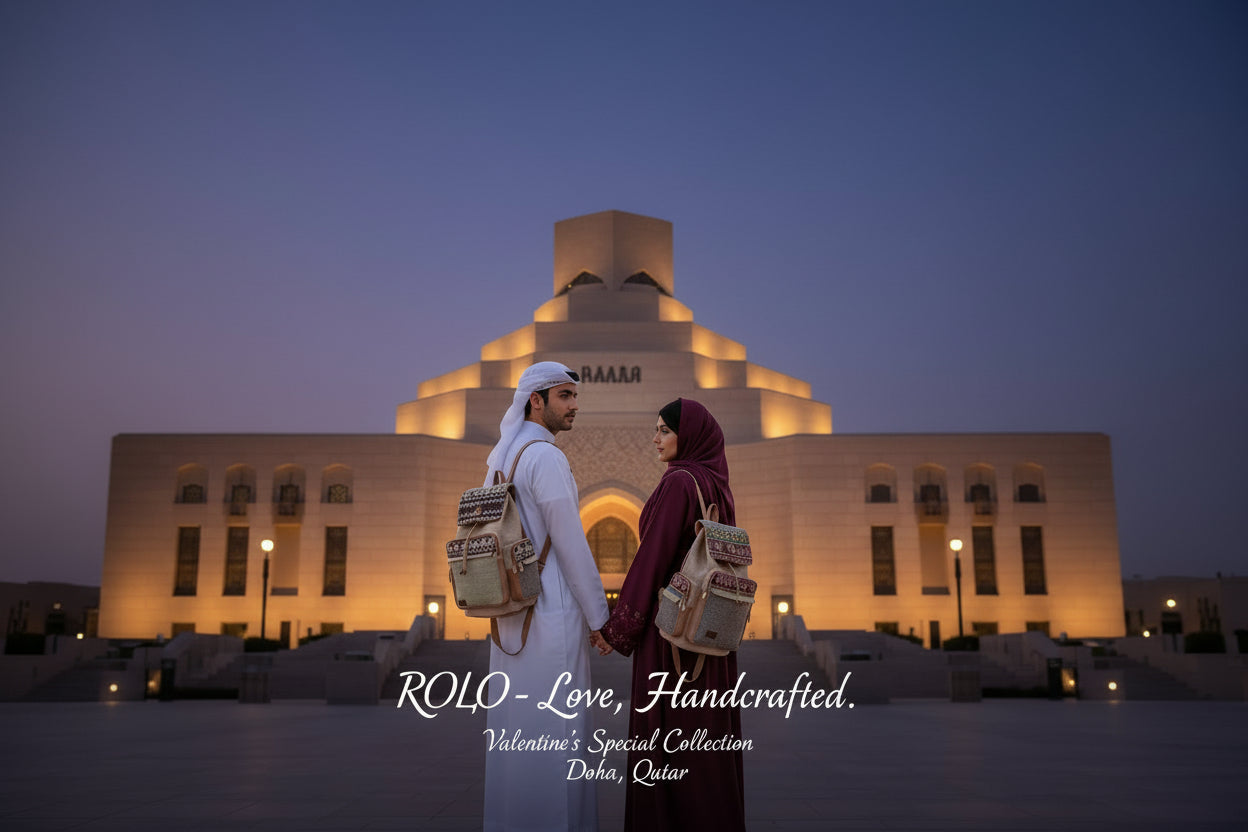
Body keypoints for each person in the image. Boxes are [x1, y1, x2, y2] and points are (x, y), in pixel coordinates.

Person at [596, 398, 747, 832]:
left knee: (670, 747)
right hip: (712, 638)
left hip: (674, 641)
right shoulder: (716, 484)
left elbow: (653, 560)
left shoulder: (680, 482)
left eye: (664, 430)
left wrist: (619, 628)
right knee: (706, 744)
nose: (655, 438)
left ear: (690, 437)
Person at [482, 361, 612, 832]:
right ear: (535, 400)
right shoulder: (545, 457)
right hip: (550, 610)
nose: (574, 406)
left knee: (515, 730)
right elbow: (571, 544)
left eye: (575, 396)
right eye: (565, 396)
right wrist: (601, 618)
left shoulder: (500, 457)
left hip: (510, 612)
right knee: (556, 732)